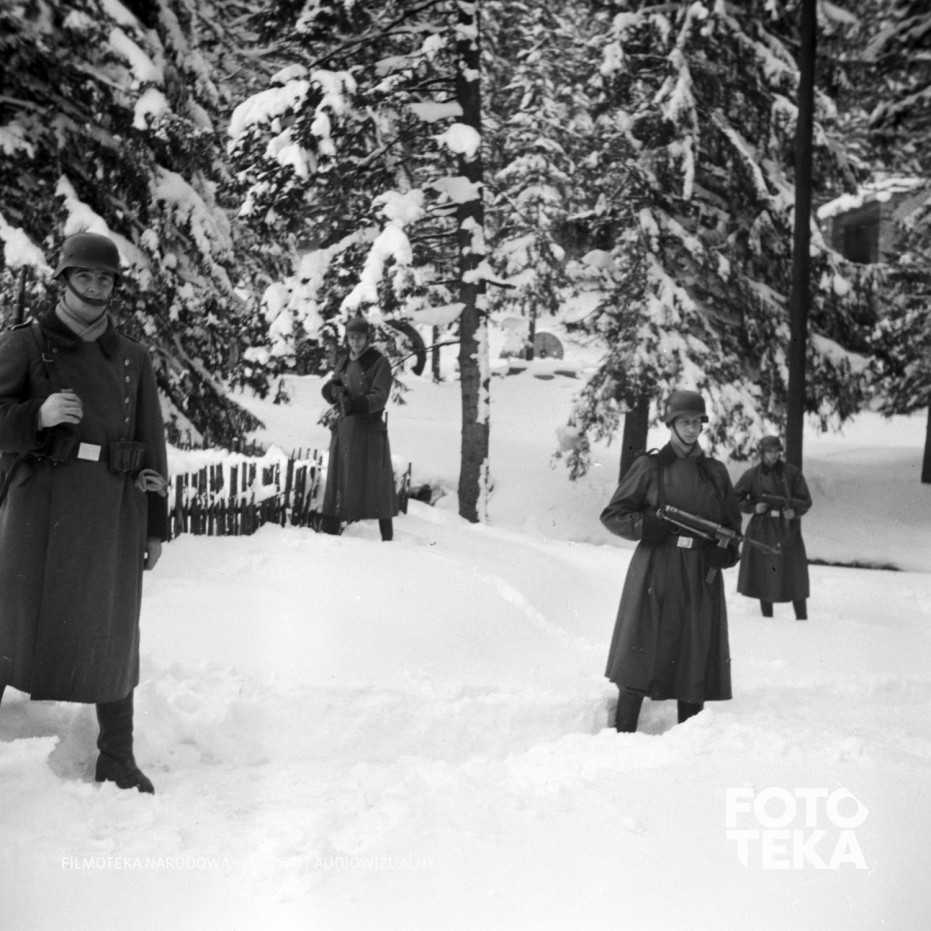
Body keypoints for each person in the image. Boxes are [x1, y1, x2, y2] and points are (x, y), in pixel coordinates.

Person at [0, 231, 168, 793]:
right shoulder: (26, 343)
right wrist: (37, 416)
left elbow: (151, 442)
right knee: (11, 621)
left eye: (105, 278)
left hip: (114, 509)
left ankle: (116, 756)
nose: (95, 287)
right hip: (39, 507)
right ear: (64, 281)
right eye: (85, 276)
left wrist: (156, 525)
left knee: (112, 630)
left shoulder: (133, 357)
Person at [601, 389, 742, 733]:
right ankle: (623, 732)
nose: (692, 429)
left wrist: (726, 552)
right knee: (643, 640)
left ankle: (689, 737)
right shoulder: (649, 466)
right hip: (657, 564)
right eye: (684, 422)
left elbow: (732, 527)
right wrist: (645, 525)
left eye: (697, 422)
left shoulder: (715, 472)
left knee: (694, 644)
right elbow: (614, 515)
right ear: (671, 424)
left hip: (700, 570)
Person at [320, 315, 398, 541]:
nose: (355, 342)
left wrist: (354, 404)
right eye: (352, 338)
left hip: (368, 431)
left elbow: (379, 396)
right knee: (339, 480)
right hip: (345, 430)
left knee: (377, 484)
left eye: (360, 338)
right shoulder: (344, 361)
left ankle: (387, 539)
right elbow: (333, 383)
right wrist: (335, 392)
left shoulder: (379, 363)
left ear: (367, 338)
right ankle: (330, 534)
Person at [734, 435, 812, 620]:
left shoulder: (791, 473)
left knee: (795, 572)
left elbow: (805, 500)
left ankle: (802, 619)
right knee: (765, 573)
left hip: (787, 529)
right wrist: (753, 508)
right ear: (762, 453)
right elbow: (734, 498)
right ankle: (767, 619)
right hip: (762, 528)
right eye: (769, 451)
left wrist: (794, 512)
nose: (773, 455)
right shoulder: (752, 475)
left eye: (776, 451)